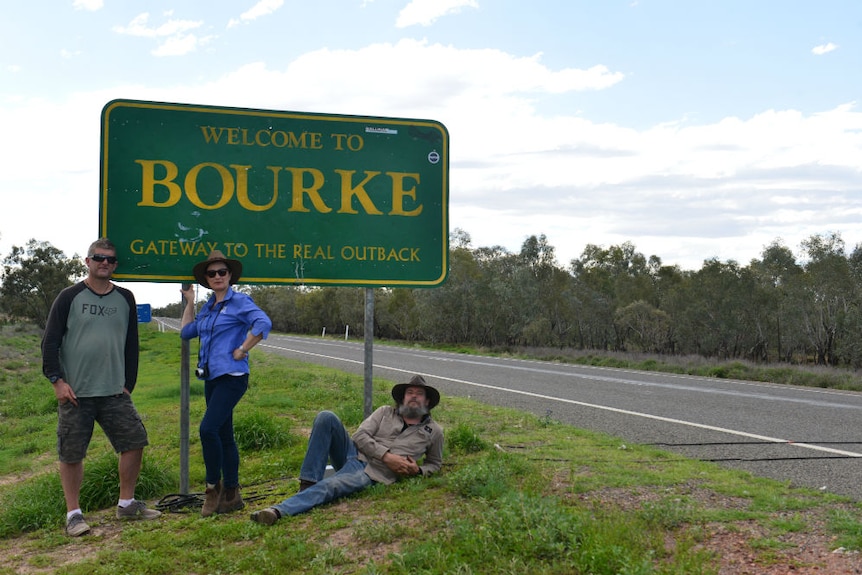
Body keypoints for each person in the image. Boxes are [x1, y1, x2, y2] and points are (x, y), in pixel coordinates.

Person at [41, 238, 161, 537]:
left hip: (113, 391)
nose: (104, 263)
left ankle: (127, 504)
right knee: (71, 453)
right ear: (87, 261)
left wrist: (128, 384)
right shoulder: (69, 296)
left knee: (135, 441)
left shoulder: (125, 298)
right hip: (76, 393)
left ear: (115, 264)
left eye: (110, 259)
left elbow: (131, 344)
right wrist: (57, 381)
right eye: (98, 258)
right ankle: (74, 515)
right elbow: (50, 342)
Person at [250, 375, 444, 525]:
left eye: (419, 394)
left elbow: (434, 463)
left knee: (331, 486)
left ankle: (277, 511)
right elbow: (359, 436)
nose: (414, 397)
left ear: (427, 401)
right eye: (410, 392)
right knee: (326, 417)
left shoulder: (434, 431)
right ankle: (307, 487)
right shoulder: (385, 412)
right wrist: (387, 456)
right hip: (352, 453)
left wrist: (418, 471)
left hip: (373, 473)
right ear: (403, 397)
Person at [180, 249, 272, 517]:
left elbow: (263, 322)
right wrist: (190, 303)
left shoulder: (240, 302)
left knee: (207, 429)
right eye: (212, 273)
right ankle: (232, 495)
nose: (217, 276)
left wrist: (243, 349)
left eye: (222, 272)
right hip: (212, 378)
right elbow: (187, 332)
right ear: (206, 279)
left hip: (232, 378)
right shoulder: (209, 308)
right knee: (223, 435)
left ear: (230, 276)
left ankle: (213, 489)